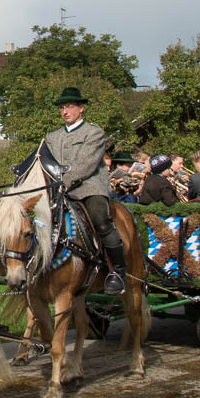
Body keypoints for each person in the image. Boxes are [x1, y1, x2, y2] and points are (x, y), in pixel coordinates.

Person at [45, 87, 127, 295]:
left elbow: (86, 164)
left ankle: (117, 271)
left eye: (70, 107)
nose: (65, 111)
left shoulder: (94, 132)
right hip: (59, 189)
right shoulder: (52, 137)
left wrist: (63, 182)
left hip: (89, 187)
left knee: (100, 218)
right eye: (62, 108)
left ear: (81, 109)